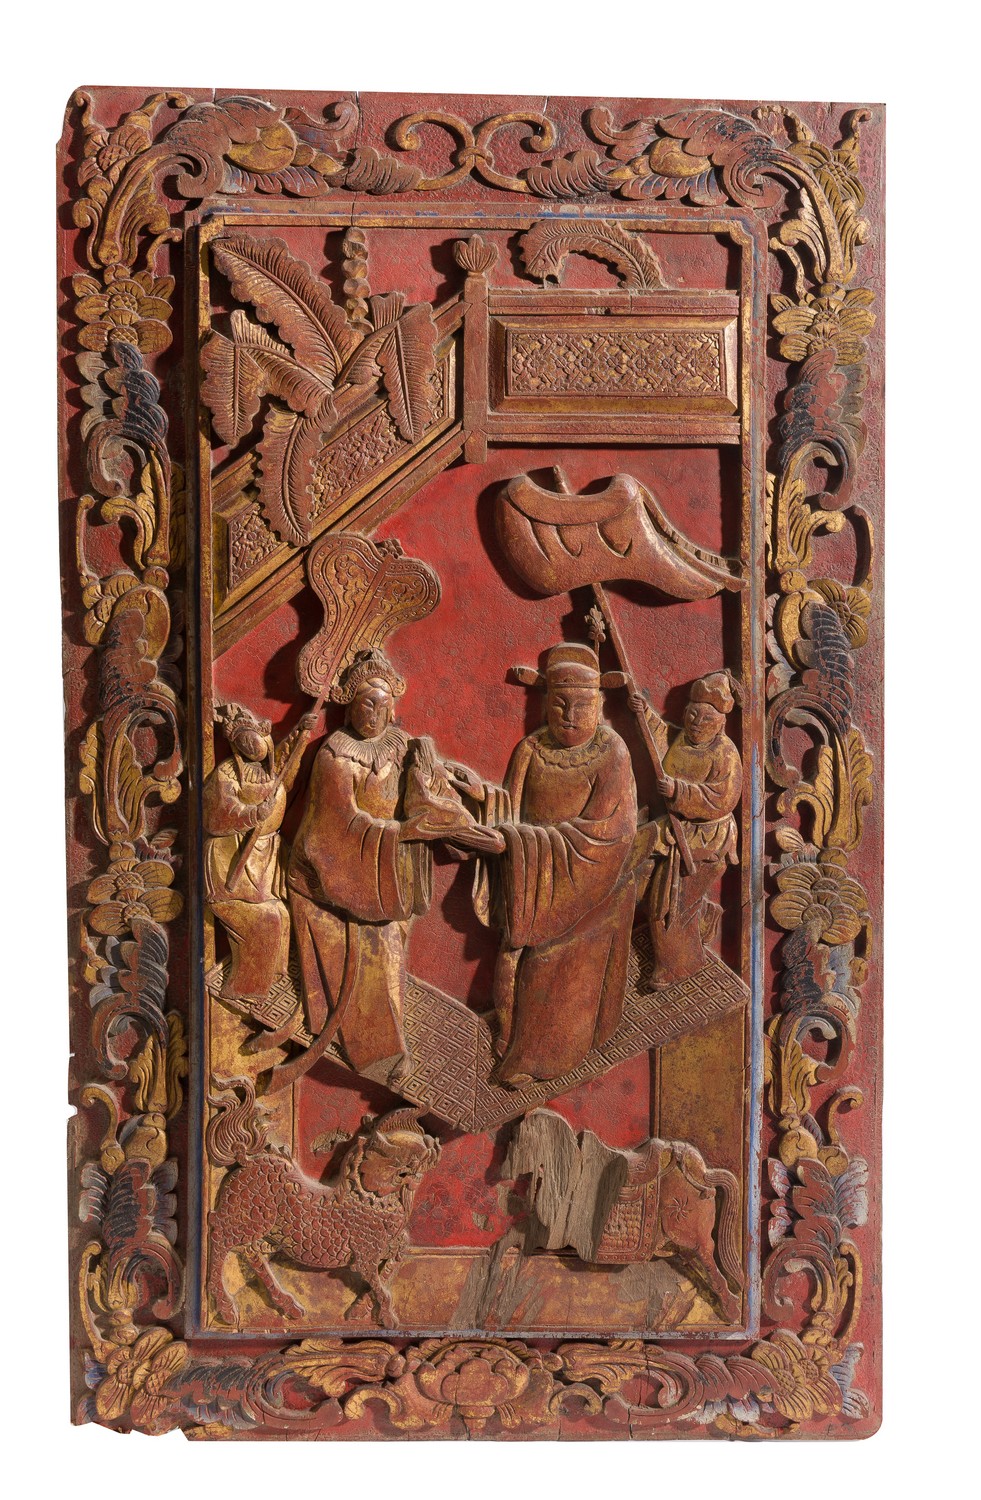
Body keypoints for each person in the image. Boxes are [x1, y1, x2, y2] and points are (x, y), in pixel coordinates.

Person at [287, 648, 499, 1088]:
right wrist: (402, 833)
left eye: (383, 705)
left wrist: (453, 804)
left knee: (393, 956)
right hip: (335, 878)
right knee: (375, 952)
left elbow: (428, 791)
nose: (375, 714)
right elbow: (333, 827)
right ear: (350, 705)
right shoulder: (335, 755)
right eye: (367, 703)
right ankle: (378, 1054)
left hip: (387, 876)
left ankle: (388, 1040)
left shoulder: (401, 747)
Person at [475, 643, 638, 1087]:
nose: (569, 715)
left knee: (548, 962)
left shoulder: (612, 751)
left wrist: (534, 848)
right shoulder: (531, 749)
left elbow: (611, 832)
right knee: (510, 956)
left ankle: (540, 1059)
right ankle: (507, 1037)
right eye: (559, 704)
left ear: (599, 706)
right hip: (532, 877)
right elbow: (509, 808)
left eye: (581, 706)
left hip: (592, 881)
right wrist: (483, 802)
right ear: (545, 703)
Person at [629, 671, 742, 987]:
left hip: (707, 840)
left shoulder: (725, 754)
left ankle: (680, 965)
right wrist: (644, 712)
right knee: (641, 873)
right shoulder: (682, 739)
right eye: (692, 715)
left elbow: (722, 798)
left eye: (706, 718)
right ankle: (702, 918)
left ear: (720, 722)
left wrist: (679, 791)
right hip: (674, 831)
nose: (696, 723)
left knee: (671, 902)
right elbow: (661, 735)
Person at [204, 701, 316, 1009]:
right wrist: (252, 814)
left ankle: (270, 980)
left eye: (257, 740)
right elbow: (217, 813)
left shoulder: (271, 772)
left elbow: (288, 760)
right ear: (236, 745)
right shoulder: (227, 774)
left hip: (264, 857)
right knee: (263, 920)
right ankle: (243, 990)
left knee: (280, 914)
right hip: (231, 860)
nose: (253, 747)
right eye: (245, 742)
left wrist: (301, 732)